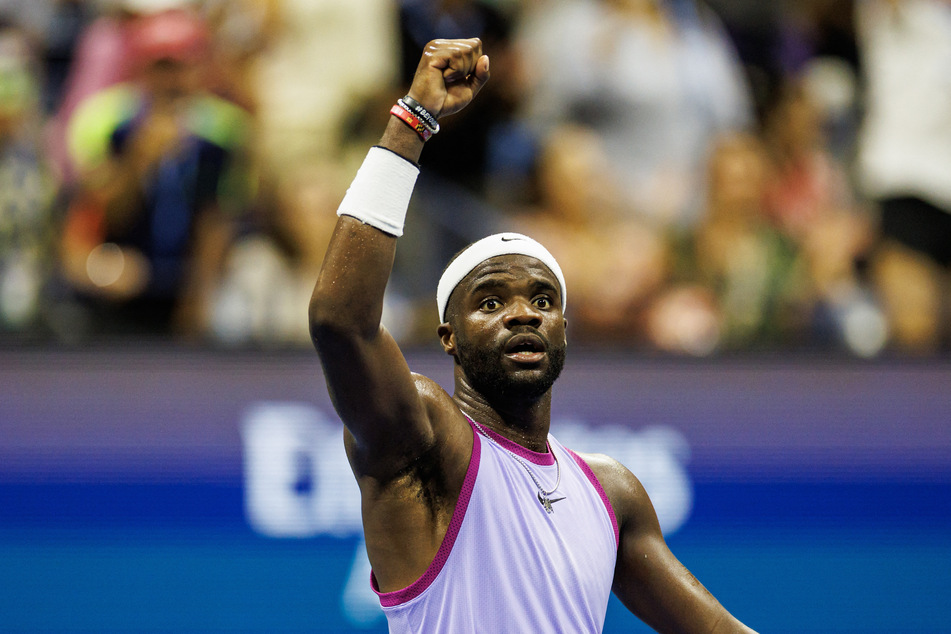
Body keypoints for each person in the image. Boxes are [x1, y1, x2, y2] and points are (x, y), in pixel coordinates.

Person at [309, 38, 757, 632]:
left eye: (543, 300)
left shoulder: (612, 492)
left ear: (564, 328)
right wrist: (412, 123)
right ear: (449, 337)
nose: (523, 314)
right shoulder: (423, 444)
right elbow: (342, 323)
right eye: (491, 301)